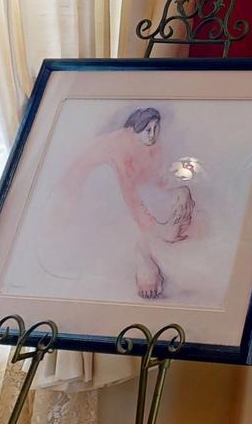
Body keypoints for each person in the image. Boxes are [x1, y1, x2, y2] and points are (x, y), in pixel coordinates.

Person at [58, 107, 196, 299]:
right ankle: (143, 258)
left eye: (156, 128)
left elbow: (154, 181)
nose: (153, 134)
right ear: (134, 129)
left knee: (175, 197)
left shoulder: (152, 148)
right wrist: (154, 226)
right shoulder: (119, 148)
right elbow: (128, 195)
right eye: (148, 129)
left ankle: (153, 251)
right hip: (89, 195)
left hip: (122, 194)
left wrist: (179, 193)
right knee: (111, 183)